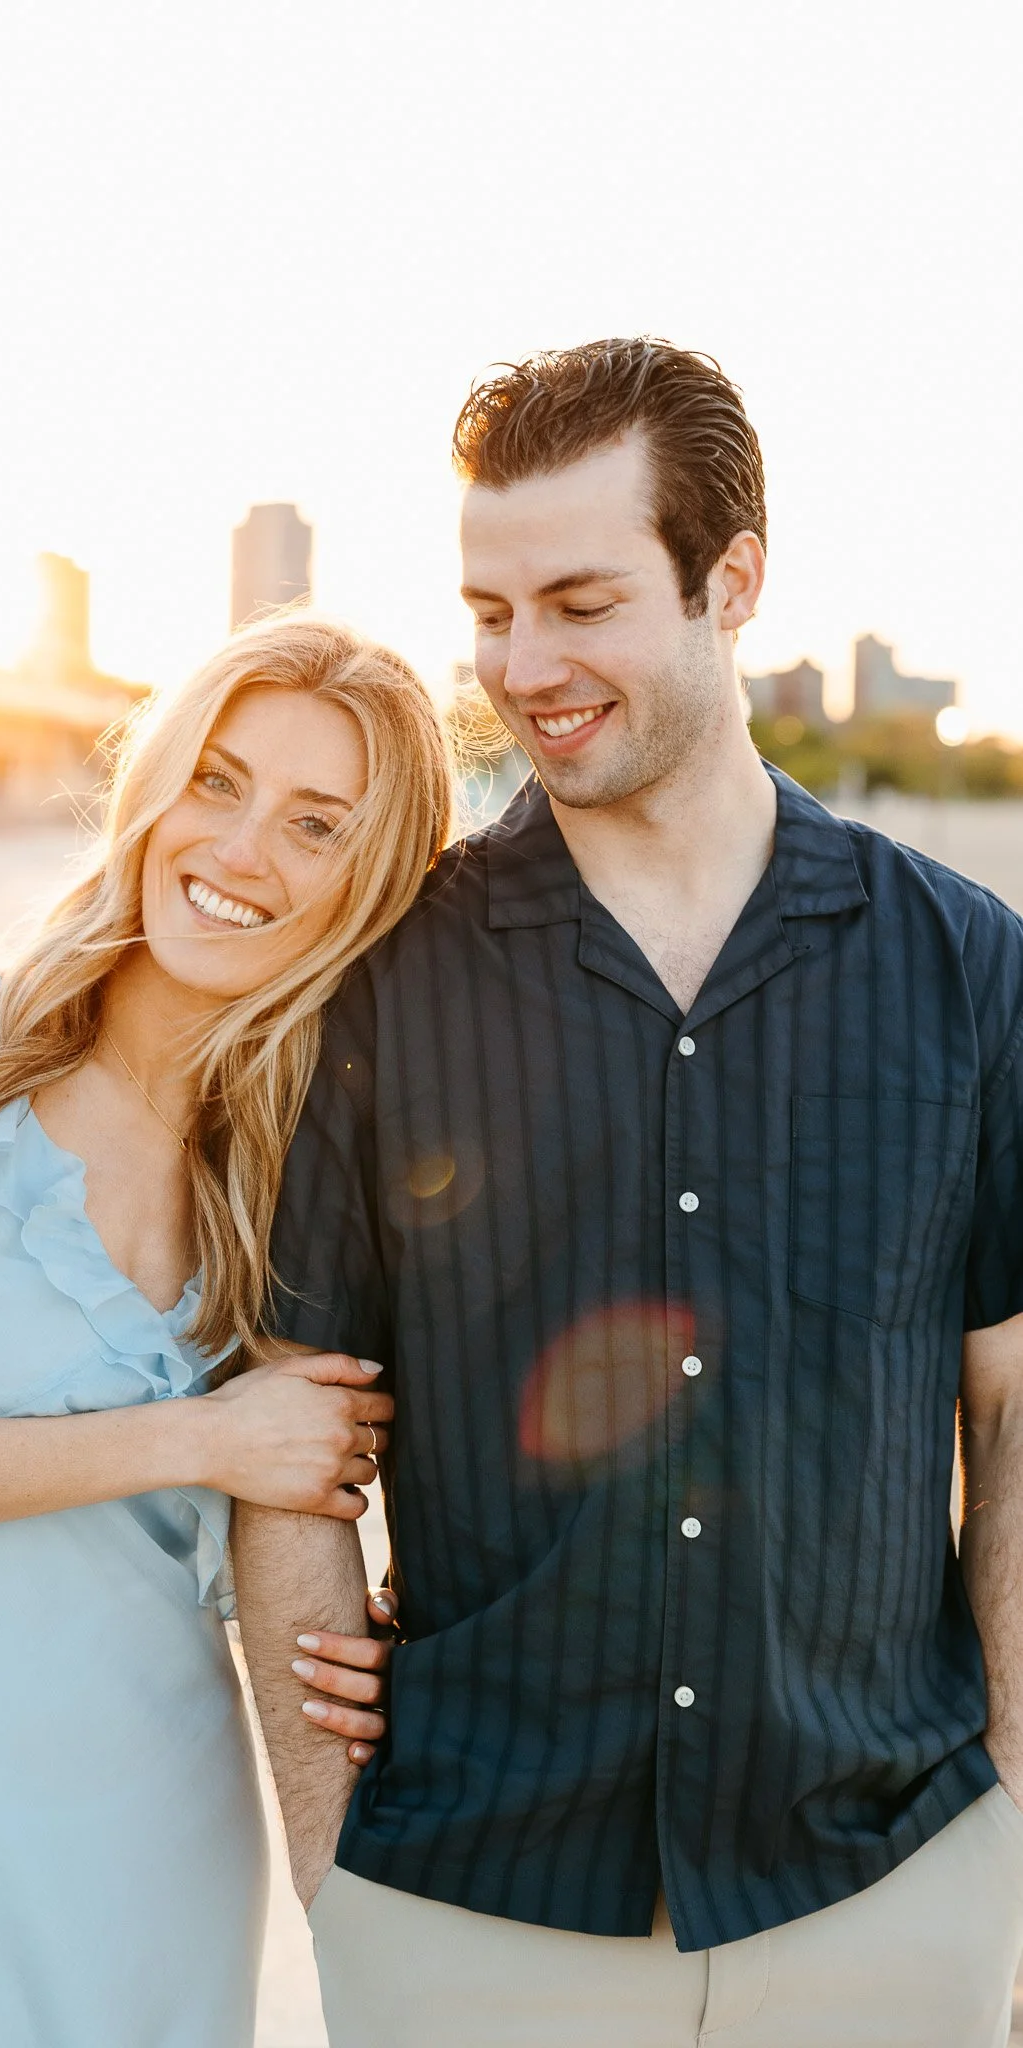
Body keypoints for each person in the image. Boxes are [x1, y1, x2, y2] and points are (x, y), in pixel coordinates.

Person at [235, 339, 1023, 2046]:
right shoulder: (382, 979)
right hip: (468, 1904)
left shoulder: (968, 968)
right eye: (491, 612)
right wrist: (332, 1876)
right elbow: (290, 1433)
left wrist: (1010, 1829)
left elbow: (1012, 1408)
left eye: (581, 605)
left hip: (887, 1888)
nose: (525, 667)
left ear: (730, 582)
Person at [0, 616, 451, 2048]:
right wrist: (203, 1437)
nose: (239, 849)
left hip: (158, 1825)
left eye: (315, 824)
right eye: (217, 781)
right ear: (154, 783)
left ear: (370, 884)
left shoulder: (292, 1168)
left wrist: (407, 1644)